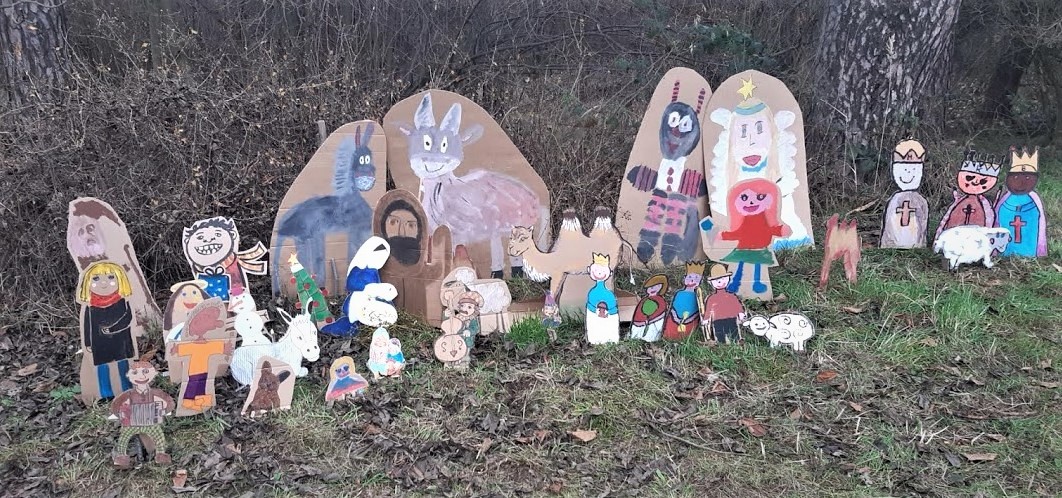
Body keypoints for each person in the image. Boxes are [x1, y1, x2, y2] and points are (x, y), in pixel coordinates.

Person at [78, 261, 138, 399]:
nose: (103, 283)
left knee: (123, 364)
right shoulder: (90, 307)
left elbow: (127, 319)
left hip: (121, 340)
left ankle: (127, 388)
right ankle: (106, 394)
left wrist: (113, 329)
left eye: (111, 277)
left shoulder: (122, 302)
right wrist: (87, 343)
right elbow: (87, 326)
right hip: (99, 342)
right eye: (96, 278)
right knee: (102, 367)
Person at [110, 360, 174, 468]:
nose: (141, 376)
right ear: (129, 376)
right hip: (133, 423)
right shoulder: (128, 395)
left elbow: (167, 403)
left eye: (146, 372)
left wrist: (163, 410)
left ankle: (160, 454)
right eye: (135, 373)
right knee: (124, 437)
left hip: (151, 421)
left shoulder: (155, 394)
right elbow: (117, 406)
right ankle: (122, 457)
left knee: (159, 435)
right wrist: (122, 413)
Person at [701, 264, 746, 344]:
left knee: (734, 334)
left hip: (731, 318)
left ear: (728, 279)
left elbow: (737, 305)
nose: (720, 282)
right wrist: (706, 319)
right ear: (711, 283)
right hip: (717, 320)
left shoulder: (731, 296)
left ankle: (736, 342)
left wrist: (740, 313)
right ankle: (721, 344)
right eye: (717, 280)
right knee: (720, 336)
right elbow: (708, 309)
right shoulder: (711, 298)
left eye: (723, 279)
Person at [662, 261, 704, 341]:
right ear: (684, 278)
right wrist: (676, 318)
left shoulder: (698, 296)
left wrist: (688, 319)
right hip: (674, 320)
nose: (692, 280)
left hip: (690, 321)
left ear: (700, 281)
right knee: (671, 331)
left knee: (686, 334)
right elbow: (673, 307)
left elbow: (698, 310)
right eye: (690, 277)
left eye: (696, 278)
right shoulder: (679, 293)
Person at [629, 275, 669, 342]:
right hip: (639, 323)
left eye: (657, 286)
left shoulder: (661, 301)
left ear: (662, 287)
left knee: (653, 331)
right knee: (637, 333)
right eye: (650, 287)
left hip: (654, 322)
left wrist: (650, 319)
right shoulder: (643, 300)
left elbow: (661, 312)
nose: (653, 289)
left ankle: (651, 338)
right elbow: (638, 313)